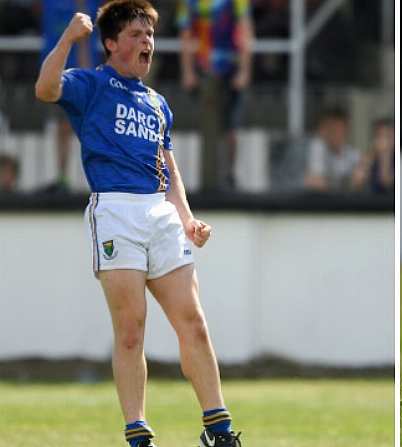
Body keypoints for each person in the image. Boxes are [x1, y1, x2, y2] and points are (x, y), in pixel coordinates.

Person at [34, 2, 243, 446]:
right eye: (135, 34)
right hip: (115, 211)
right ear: (110, 43)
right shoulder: (90, 85)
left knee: (194, 321)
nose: (146, 42)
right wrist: (69, 40)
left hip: (159, 214)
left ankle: (219, 430)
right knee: (131, 331)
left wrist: (187, 218)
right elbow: (45, 88)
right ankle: (138, 434)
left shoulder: (156, 103)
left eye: (149, 34)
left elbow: (168, 170)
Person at [178, 0, 254, 191]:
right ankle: (208, 179)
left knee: (231, 128)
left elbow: (245, 31)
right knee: (208, 126)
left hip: (231, 68)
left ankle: (229, 175)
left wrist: (244, 70)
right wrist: (188, 72)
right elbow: (186, 35)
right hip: (204, 69)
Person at [39, 0, 104, 193]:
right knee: (63, 127)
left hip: (84, 76)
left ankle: (99, 179)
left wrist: (88, 73)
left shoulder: (92, 5)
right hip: (56, 73)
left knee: (90, 128)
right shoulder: (51, 4)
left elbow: (86, 39)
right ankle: (62, 176)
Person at [304, 107, 359, 192]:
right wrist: (348, 182)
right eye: (333, 129)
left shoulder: (350, 152)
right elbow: (316, 182)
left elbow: (360, 177)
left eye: (341, 129)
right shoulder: (317, 146)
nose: (338, 134)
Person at [352, 117, 395, 194]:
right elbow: (357, 182)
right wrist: (371, 155)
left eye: (387, 136)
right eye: (379, 136)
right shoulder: (370, 156)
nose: (383, 140)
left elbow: (386, 183)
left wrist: (385, 156)